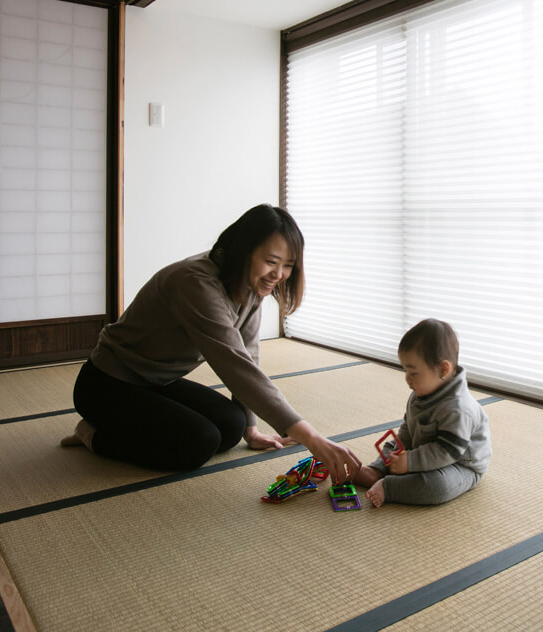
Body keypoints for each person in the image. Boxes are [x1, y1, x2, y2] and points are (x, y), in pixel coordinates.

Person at [60, 203, 361, 483]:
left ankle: (130, 424)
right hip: (106, 384)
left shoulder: (250, 286)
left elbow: (248, 356)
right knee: (197, 444)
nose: (279, 275)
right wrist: (312, 438)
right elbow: (234, 366)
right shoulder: (196, 283)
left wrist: (251, 430)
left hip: (156, 381)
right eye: (271, 261)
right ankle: (93, 435)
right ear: (244, 251)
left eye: (288, 265)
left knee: (232, 425)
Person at [353, 318, 491, 507]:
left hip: (459, 464)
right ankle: (376, 471)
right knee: (395, 444)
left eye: (413, 373)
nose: (407, 379)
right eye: (405, 371)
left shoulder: (459, 409)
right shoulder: (419, 393)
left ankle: (390, 487)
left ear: (443, 369)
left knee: (438, 486)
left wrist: (409, 462)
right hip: (424, 448)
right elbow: (408, 428)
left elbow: (446, 452)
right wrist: (401, 454)